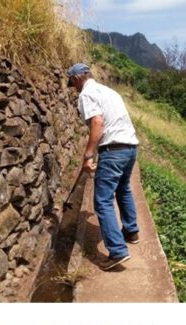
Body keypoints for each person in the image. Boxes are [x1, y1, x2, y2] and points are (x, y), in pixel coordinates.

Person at [66, 63, 140, 271]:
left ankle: (117, 251)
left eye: (72, 83)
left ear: (78, 78)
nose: (74, 88)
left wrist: (88, 154)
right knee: (123, 189)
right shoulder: (109, 92)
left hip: (113, 150)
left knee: (103, 200)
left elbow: (98, 123)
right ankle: (131, 232)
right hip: (130, 148)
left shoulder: (86, 95)